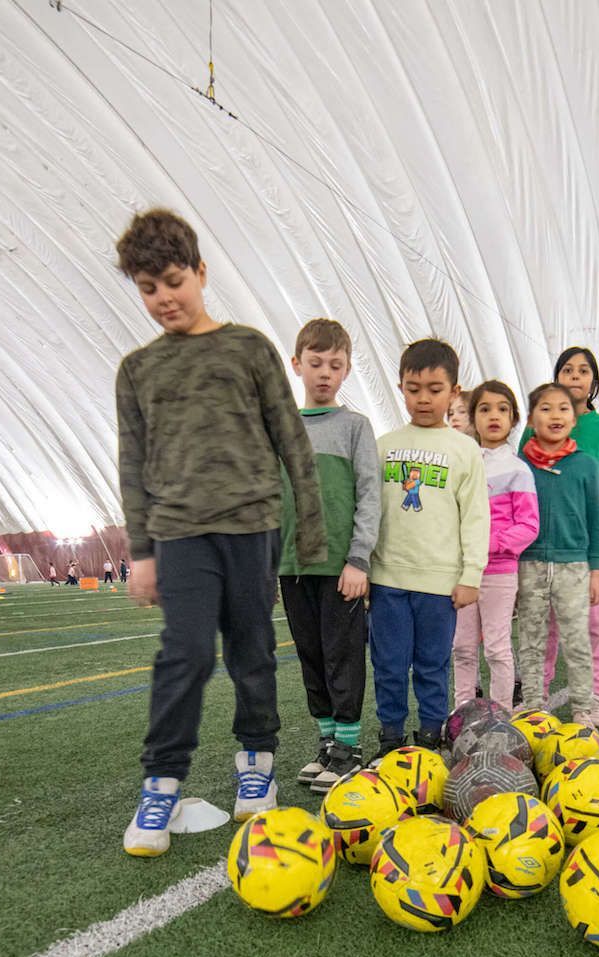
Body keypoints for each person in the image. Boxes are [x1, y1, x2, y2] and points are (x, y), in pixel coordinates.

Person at [113, 208, 325, 855]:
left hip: (252, 526)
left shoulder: (250, 348)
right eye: (148, 289)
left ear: (201, 272)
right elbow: (132, 461)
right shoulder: (136, 370)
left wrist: (311, 537)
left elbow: (293, 444)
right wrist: (141, 553)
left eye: (173, 280)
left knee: (253, 651)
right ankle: (161, 785)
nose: (163, 299)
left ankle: (256, 767)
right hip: (178, 534)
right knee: (186, 655)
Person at [370, 338, 489, 752]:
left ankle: (432, 735)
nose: (423, 399)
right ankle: (389, 737)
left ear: (454, 391)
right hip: (386, 579)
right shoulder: (383, 446)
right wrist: (365, 568)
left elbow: (476, 516)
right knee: (388, 664)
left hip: (440, 584)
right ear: (400, 387)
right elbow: (369, 512)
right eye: (413, 388)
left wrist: (470, 575)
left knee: (432, 665)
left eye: (435, 389)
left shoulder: (465, 449)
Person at [278, 318, 380, 790]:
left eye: (335, 365)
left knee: (342, 655)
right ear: (297, 365)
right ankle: (326, 744)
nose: (324, 373)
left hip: (341, 569)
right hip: (294, 567)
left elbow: (369, 495)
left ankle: (349, 748)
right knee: (311, 656)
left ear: (347, 371)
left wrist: (358, 559)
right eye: (315, 363)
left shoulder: (356, 427)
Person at [518, 347, 599, 711]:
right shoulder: (531, 431)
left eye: (583, 371)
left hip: (585, 547)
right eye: (567, 370)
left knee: (592, 623)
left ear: (593, 381)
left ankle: (595, 694)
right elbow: (520, 481)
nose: (575, 376)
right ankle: (535, 695)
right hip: (538, 549)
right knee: (541, 626)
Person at [514, 382, 599, 726]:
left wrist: (596, 570)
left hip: (574, 565)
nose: (556, 415)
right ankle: (535, 703)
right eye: (546, 408)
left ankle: (583, 706)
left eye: (563, 408)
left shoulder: (586, 464)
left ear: (574, 418)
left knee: (576, 637)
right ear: (531, 418)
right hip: (529, 563)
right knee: (531, 636)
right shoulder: (520, 464)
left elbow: (597, 519)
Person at [451, 379, 538, 714]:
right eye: (484, 409)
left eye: (503, 409)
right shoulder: (464, 464)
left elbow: (529, 527)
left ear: (513, 418)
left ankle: (500, 715)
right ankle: (462, 712)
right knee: (462, 647)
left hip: (499, 573)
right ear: (473, 417)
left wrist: (487, 545)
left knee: (497, 648)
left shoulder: (518, 470)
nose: (494, 416)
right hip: (462, 574)